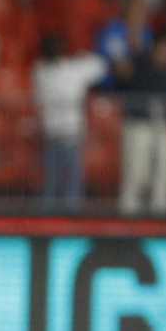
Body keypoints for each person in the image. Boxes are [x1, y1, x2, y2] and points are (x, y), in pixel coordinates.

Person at [33, 34, 107, 208]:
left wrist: (77, 57)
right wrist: (80, 56)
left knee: (64, 176)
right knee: (60, 176)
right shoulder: (55, 70)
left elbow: (101, 67)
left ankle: (62, 212)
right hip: (59, 132)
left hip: (63, 131)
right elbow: (100, 65)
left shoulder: (46, 70)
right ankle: (57, 213)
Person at [118, 32, 166, 214]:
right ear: (154, 50)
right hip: (138, 125)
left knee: (163, 171)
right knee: (136, 172)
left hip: (161, 126)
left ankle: (160, 216)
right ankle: (128, 215)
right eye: (164, 50)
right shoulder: (141, 67)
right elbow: (122, 74)